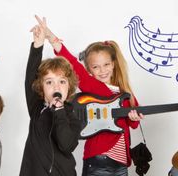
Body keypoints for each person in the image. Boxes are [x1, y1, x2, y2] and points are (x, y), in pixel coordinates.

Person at [33, 15, 145, 176]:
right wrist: (51, 37)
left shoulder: (125, 92)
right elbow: (72, 64)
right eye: (96, 67)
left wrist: (134, 118)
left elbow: (132, 124)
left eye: (106, 64)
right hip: (99, 159)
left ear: (113, 64)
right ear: (89, 69)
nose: (102, 70)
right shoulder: (95, 87)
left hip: (121, 163)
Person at [19, 24, 81, 176]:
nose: (56, 87)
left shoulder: (73, 119)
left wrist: (59, 112)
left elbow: (66, 145)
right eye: (49, 82)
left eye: (62, 81)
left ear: (69, 87)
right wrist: (38, 45)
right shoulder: (37, 109)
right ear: (41, 87)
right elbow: (30, 77)